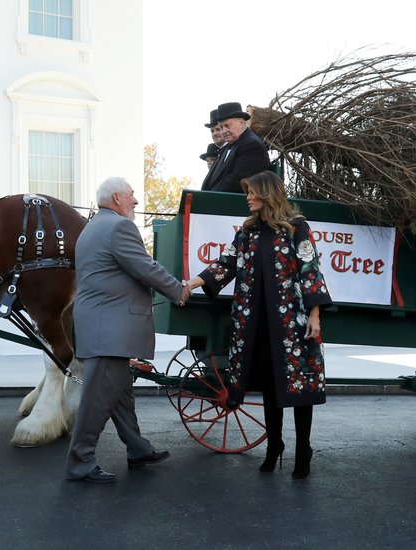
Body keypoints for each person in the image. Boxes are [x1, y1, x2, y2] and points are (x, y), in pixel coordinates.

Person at [183, 171, 331, 479]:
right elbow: (225, 265)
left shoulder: (296, 228)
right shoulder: (247, 232)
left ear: (268, 193)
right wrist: (192, 283)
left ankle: (303, 449)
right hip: (255, 325)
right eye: (247, 192)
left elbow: (310, 271)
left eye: (252, 192)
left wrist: (315, 315)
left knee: (299, 386)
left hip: (292, 324)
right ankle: (274, 445)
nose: (248, 197)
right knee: (269, 386)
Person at [65, 177, 185, 483]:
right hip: (110, 330)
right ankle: (81, 461)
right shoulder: (120, 227)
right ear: (117, 198)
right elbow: (145, 267)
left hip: (100, 326)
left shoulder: (92, 227)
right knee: (97, 398)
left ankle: (137, 448)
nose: (135, 202)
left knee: (119, 395)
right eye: (132, 196)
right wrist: (178, 290)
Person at [201, 102, 271, 193]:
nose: (224, 131)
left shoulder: (252, 145)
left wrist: (206, 198)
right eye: (221, 127)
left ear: (241, 122)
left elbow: (235, 183)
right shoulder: (228, 147)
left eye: (227, 126)